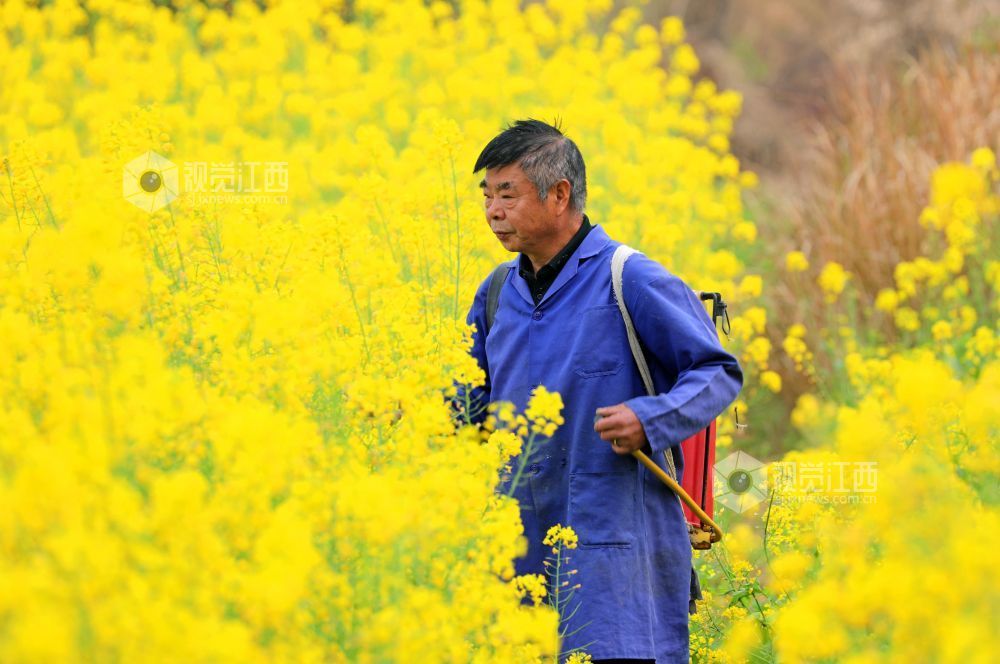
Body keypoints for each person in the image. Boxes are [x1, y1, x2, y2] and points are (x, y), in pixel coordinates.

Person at [462, 119, 743, 663]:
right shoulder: (496, 292)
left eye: (508, 194)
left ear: (559, 194)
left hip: (616, 561)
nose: (493, 211)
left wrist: (650, 417)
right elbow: (468, 405)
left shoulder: (629, 277)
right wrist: (400, 405)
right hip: (516, 557)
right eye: (487, 196)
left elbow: (717, 370)